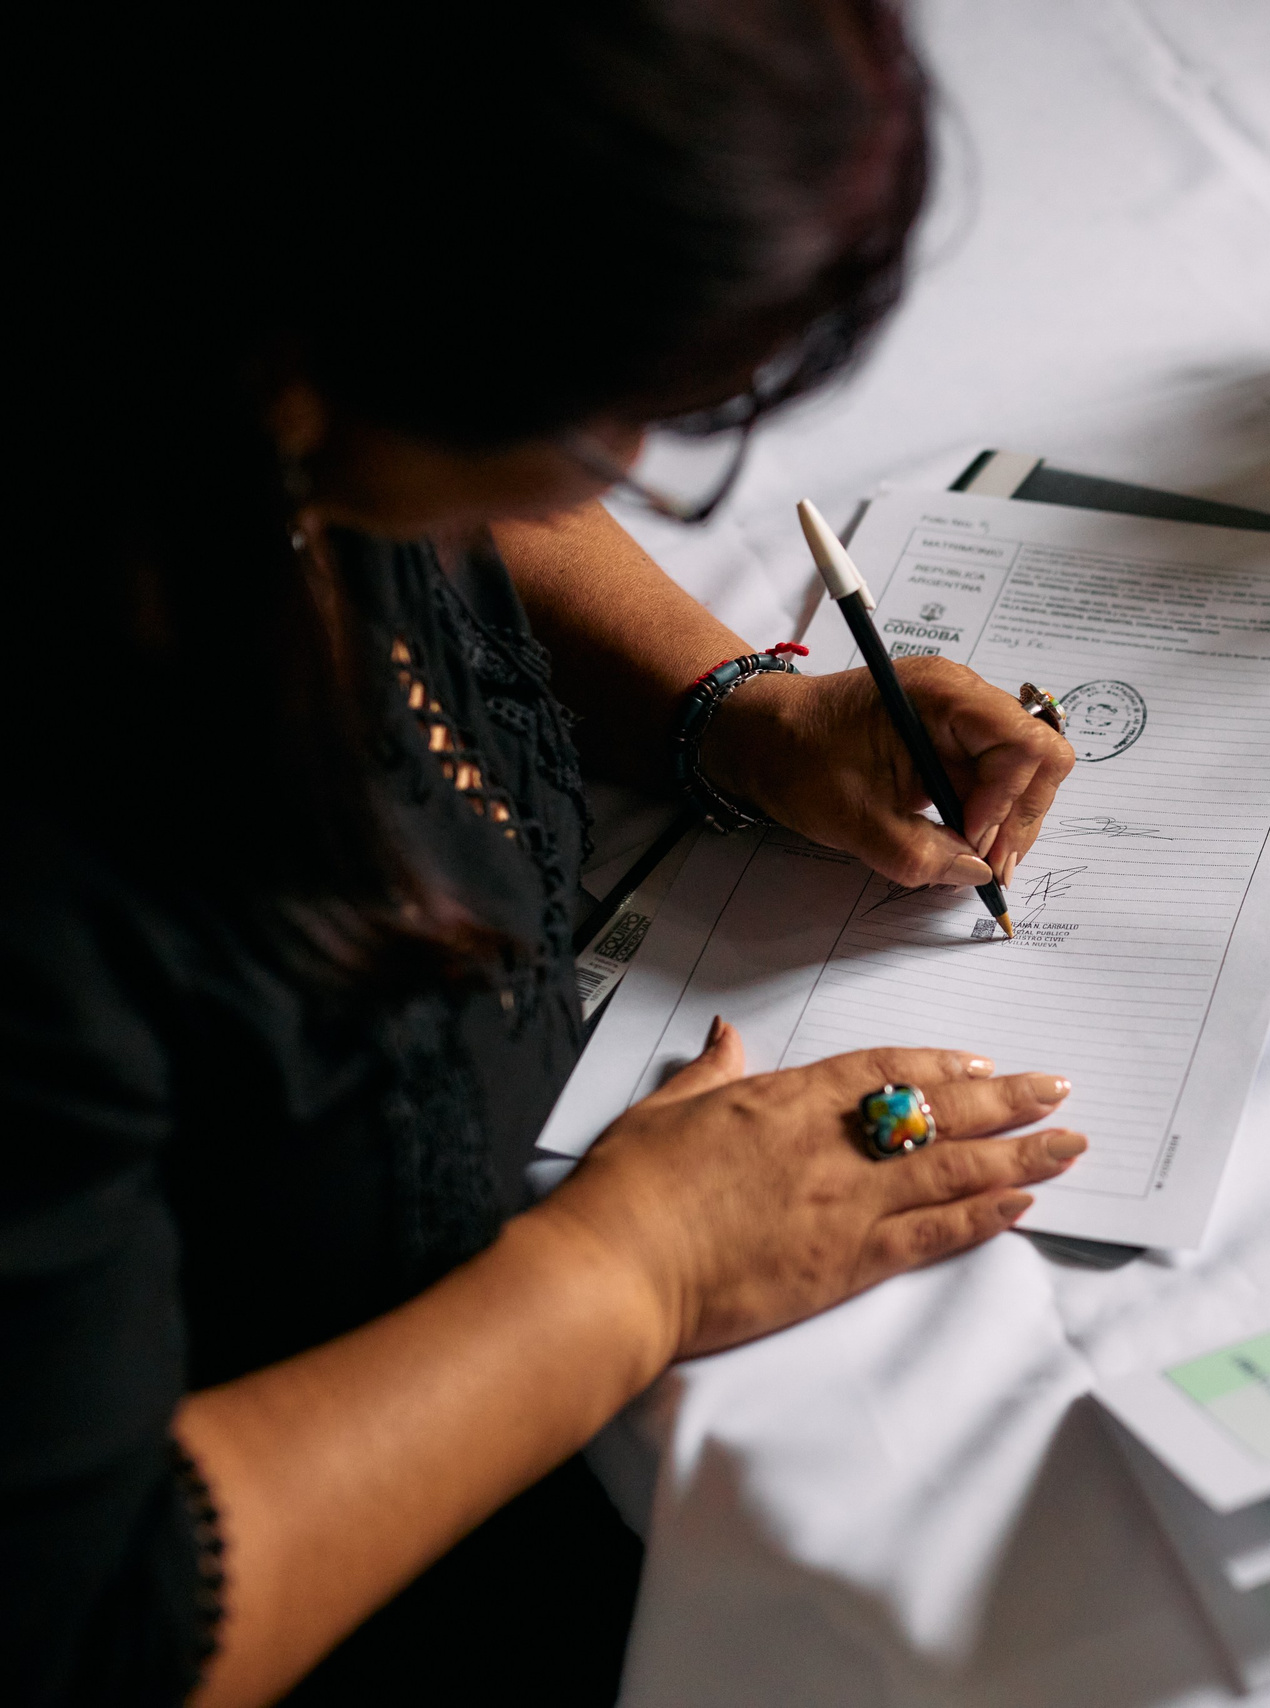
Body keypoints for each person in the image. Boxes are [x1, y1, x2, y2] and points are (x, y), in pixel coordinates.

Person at [1, 3, 1083, 1703]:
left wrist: (735, 714)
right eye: (605, 405)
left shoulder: (226, 336)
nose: (635, 468)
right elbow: (88, 1631)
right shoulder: (58, 828)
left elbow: (458, 477)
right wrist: (633, 1273)